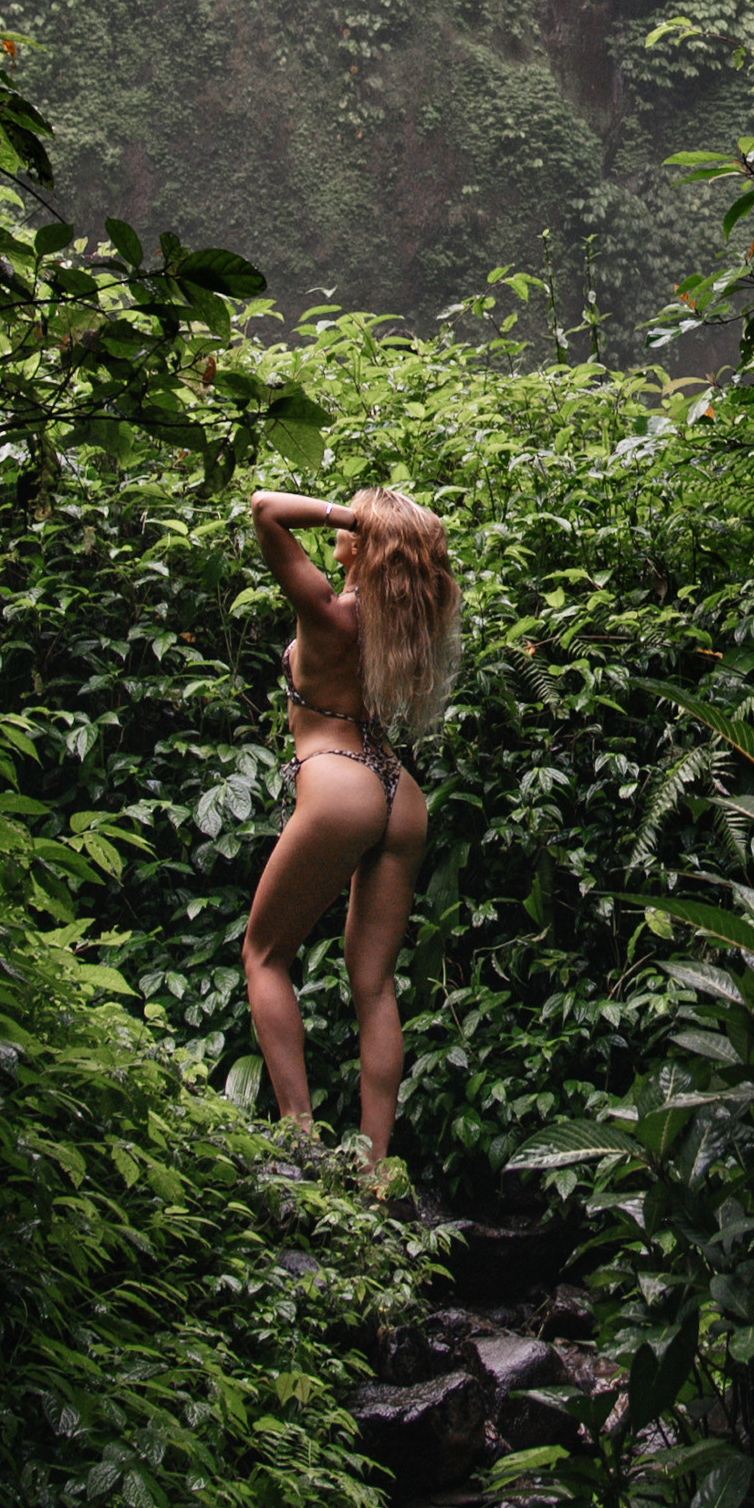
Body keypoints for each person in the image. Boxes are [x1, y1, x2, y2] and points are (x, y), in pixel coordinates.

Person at [242, 485, 461, 1158]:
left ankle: (299, 1138)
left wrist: (355, 514)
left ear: (366, 543)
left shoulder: (330, 613)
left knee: (263, 956)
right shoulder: (401, 621)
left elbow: (265, 508)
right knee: (374, 985)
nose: (341, 524)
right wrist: (381, 525)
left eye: (354, 522)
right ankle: (375, 1170)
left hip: (339, 778)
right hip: (397, 791)